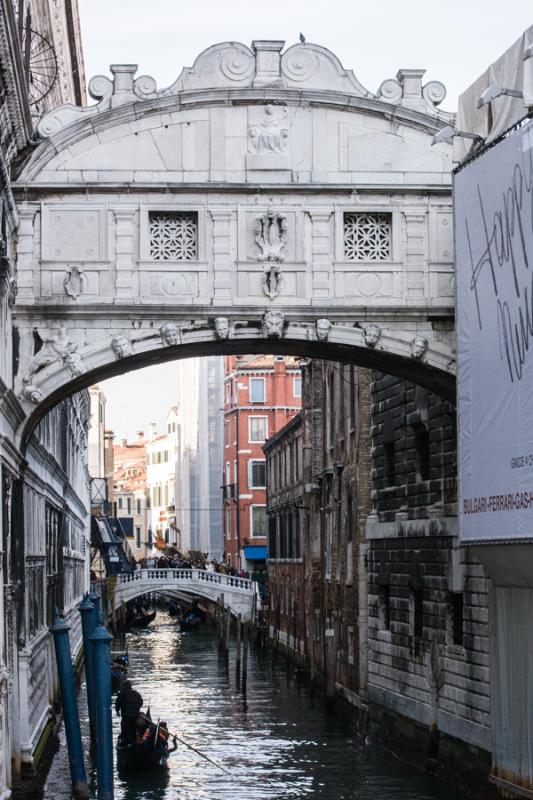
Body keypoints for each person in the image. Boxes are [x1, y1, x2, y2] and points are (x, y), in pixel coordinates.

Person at [115, 680, 143, 745]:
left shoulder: (122, 693)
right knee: (133, 727)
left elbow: (118, 703)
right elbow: (141, 703)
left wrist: (117, 711)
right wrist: (137, 709)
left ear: (124, 686)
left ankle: (125, 741)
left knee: (125, 727)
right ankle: (133, 741)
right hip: (135, 714)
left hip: (126, 715)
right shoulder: (136, 693)